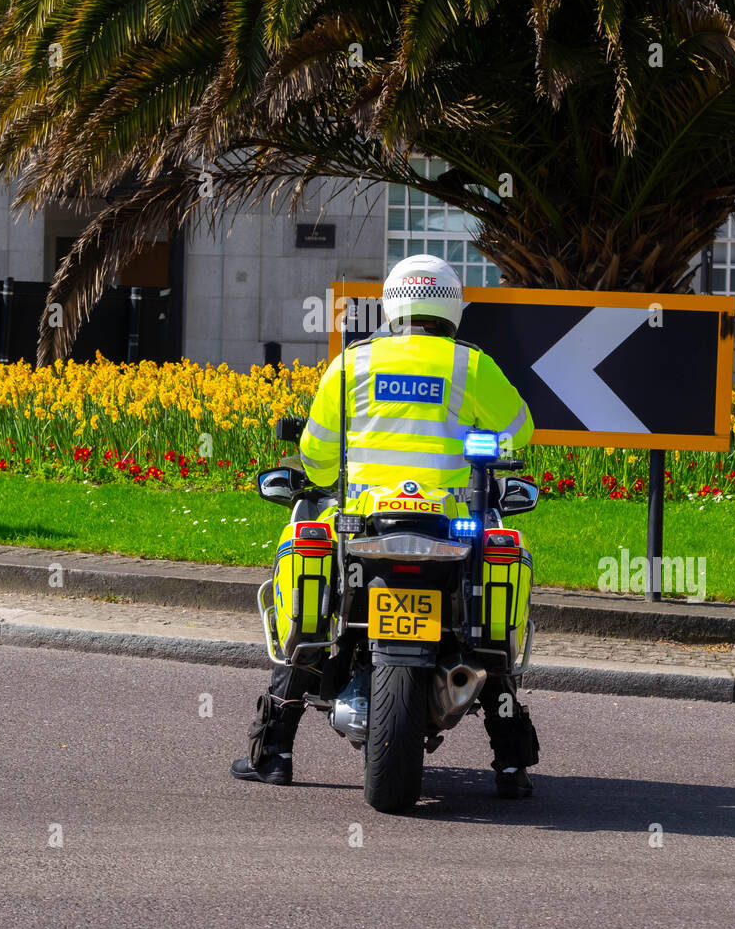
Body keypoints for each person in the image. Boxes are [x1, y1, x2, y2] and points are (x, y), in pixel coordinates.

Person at [231, 254, 540, 798]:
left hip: (362, 521)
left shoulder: (351, 364)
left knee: (312, 615)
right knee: (485, 633)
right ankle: (510, 763)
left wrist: (330, 482)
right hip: (451, 526)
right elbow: (518, 435)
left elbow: (318, 453)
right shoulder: (471, 365)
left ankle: (275, 750)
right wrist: (475, 455)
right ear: (453, 308)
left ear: (391, 303)